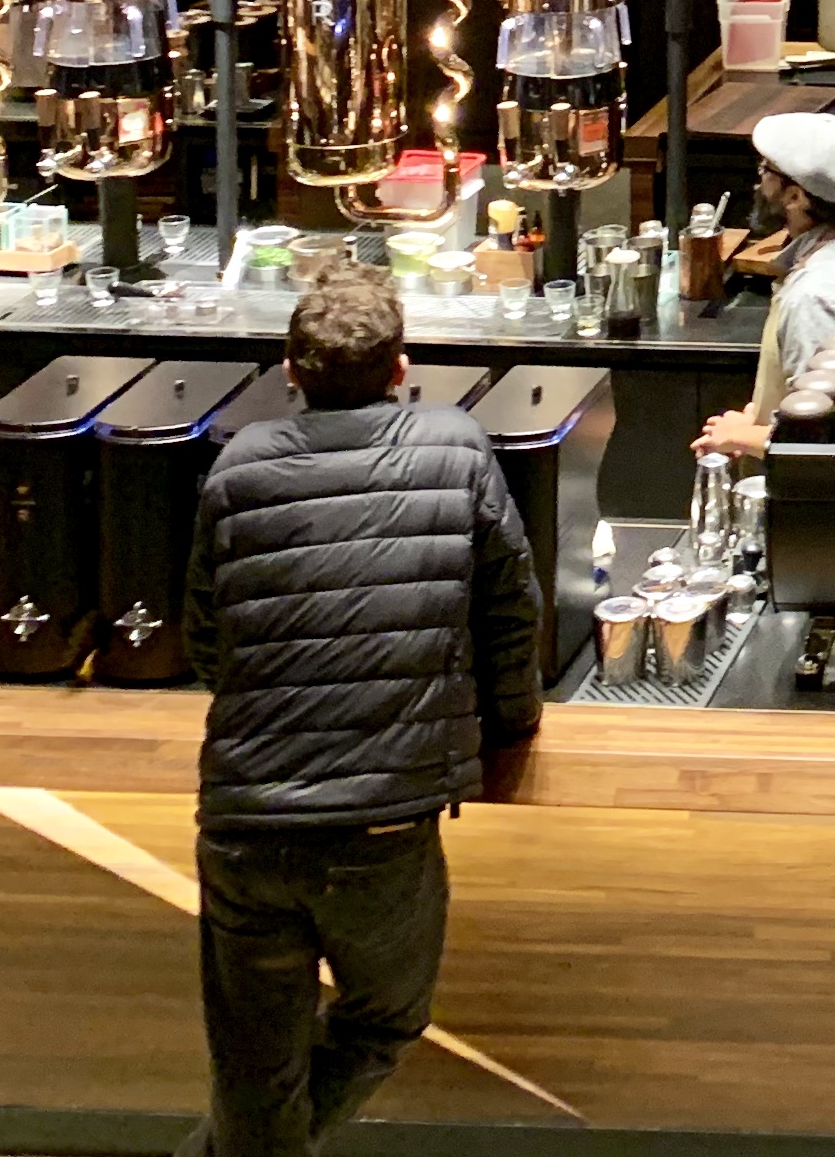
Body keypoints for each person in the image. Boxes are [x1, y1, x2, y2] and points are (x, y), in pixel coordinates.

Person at [182, 266, 542, 1157]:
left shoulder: (238, 463)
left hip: (244, 820)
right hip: (380, 822)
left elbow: (206, 637)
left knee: (254, 1072)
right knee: (384, 1020)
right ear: (401, 368)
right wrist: (510, 729)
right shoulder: (456, 447)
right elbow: (511, 612)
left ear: (290, 372)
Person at [692, 113, 835, 459]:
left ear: (795, 197)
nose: (758, 183)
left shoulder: (816, 299)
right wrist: (756, 418)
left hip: (792, 487)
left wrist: (740, 438)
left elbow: (815, 439)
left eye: (766, 170)